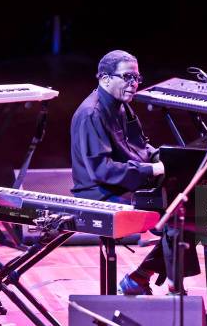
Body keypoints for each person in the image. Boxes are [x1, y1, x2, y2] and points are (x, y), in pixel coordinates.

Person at [70, 49, 199, 295]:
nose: (134, 84)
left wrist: (170, 159)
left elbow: (140, 146)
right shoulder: (91, 114)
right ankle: (168, 287)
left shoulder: (122, 105)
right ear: (105, 78)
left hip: (126, 184)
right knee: (180, 214)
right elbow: (102, 170)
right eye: (127, 77)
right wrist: (153, 169)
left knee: (189, 206)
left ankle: (142, 278)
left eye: (137, 78)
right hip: (99, 193)